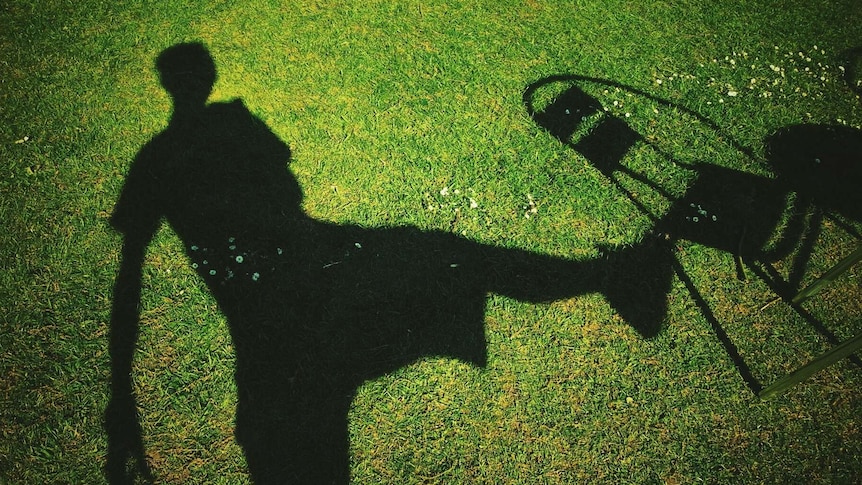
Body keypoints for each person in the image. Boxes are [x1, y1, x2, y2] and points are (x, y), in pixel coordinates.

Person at [106, 43, 670, 484]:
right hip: (303, 292)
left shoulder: (177, 149)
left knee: (456, 262)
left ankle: (611, 276)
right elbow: (135, 273)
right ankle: (611, 277)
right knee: (453, 268)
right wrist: (122, 400)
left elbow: (142, 266)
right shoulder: (199, 141)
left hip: (308, 281)